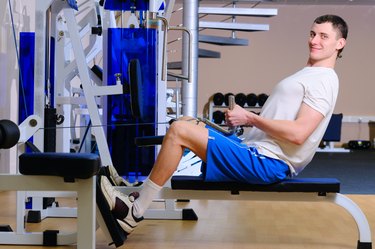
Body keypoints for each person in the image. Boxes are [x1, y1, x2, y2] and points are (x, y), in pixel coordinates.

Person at [99, 14, 348, 235]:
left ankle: (135, 211)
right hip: (255, 150)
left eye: (324, 36)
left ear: (340, 44)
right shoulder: (311, 73)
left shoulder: (324, 80)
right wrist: (244, 122)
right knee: (186, 121)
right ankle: (142, 189)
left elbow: (299, 134)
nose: (314, 40)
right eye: (313, 34)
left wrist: (250, 118)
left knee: (179, 131)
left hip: (269, 163)